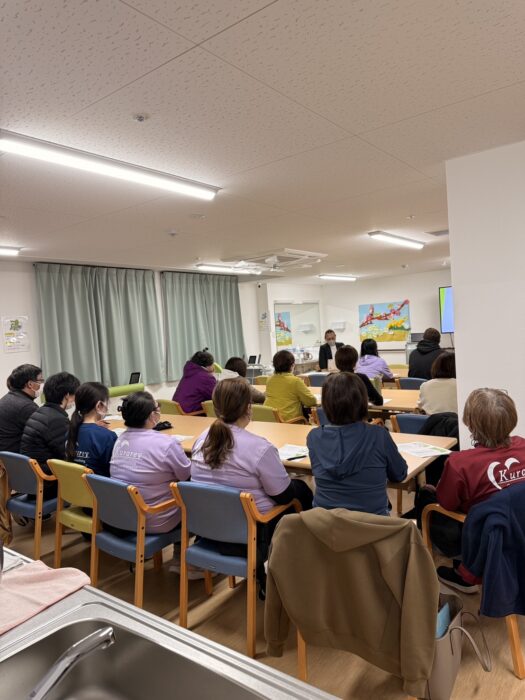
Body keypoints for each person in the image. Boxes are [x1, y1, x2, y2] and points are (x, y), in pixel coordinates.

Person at [191, 378, 313, 593]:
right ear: (248, 408)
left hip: (208, 529)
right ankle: (298, 566)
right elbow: (284, 497)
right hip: (252, 533)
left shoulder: (201, 439)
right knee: (301, 490)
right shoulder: (259, 448)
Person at [416, 388, 525, 592]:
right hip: (518, 527)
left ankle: (463, 574)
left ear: (471, 423)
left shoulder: (459, 463)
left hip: (483, 535)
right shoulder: (523, 445)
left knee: (426, 497)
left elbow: (447, 504)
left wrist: (432, 491)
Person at [307, 373, 407, 514]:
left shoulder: (314, 437)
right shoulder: (378, 435)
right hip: (371, 522)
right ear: (363, 401)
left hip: (326, 522)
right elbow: (399, 474)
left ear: (325, 403)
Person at [110, 391, 191, 533]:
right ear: (152, 415)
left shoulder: (120, 439)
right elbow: (186, 476)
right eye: (157, 408)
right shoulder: (167, 443)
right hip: (155, 519)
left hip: (123, 516)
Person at [20, 371, 80, 475]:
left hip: (31, 472)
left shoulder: (41, 411)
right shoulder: (56, 419)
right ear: (67, 395)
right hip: (46, 476)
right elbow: (68, 454)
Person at [66, 382, 117, 477]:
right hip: (99, 485)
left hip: (75, 484)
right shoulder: (108, 436)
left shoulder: (70, 431)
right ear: (99, 406)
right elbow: (115, 471)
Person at [0, 364, 43, 453]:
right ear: (30, 384)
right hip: (17, 457)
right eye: (40, 381)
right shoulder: (27, 407)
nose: (42, 384)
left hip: (5, 456)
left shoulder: (6, 399)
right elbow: (44, 435)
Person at [264, 350, 317, 422]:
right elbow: (311, 402)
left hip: (270, 419)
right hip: (290, 421)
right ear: (292, 365)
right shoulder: (295, 381)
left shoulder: (269, 380)